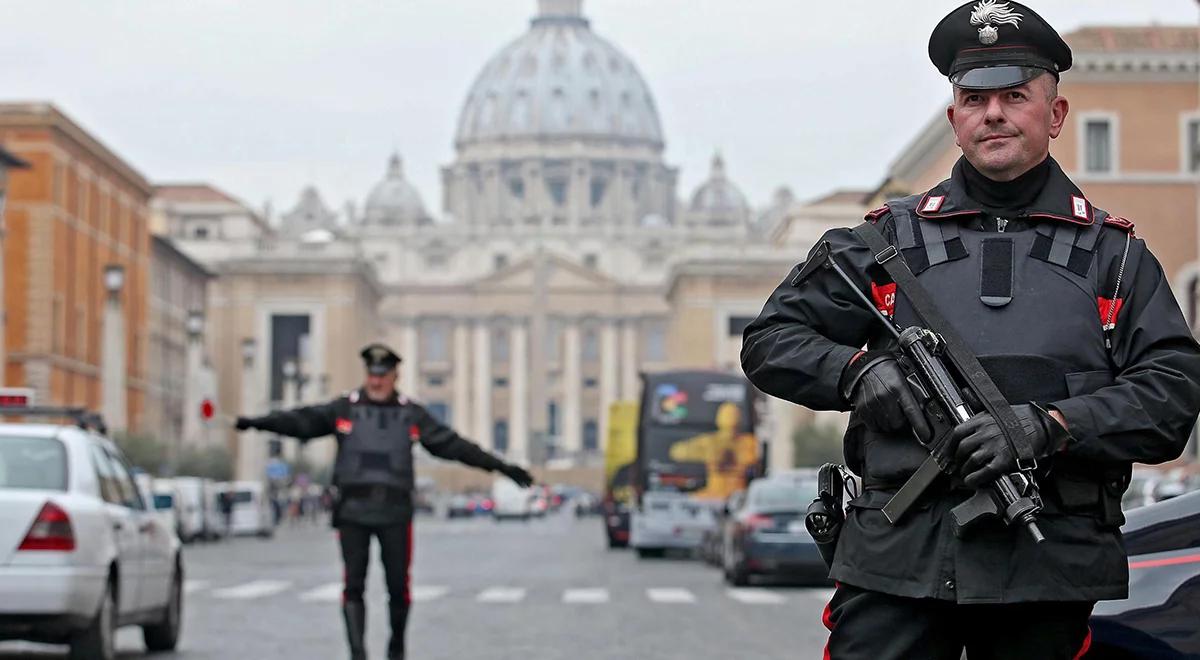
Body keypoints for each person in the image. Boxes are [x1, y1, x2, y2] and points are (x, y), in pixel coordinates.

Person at [740, 2, 1200, 657]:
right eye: (974, 98)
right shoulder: (882, 243)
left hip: (1045, 570)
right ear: (954, 117)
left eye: (1015, 96)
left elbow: (1172, 392)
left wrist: (1048, 426)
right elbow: (771, 340)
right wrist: (856, 372)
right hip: (895, 562)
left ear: (1056, 114)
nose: (993, 113)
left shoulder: (1113, 257)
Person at [235, 343, 534, 660]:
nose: (376, 381)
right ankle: (358, 653)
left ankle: (396, 647)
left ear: (395, 376)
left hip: (394, 512)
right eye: (371, 375)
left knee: (398, 587)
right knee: (353, 585)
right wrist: (257, 422)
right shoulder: (344, 409)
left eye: (383, 375)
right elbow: (300, 421)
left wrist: (501, 466)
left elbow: (454, 445)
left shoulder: (411, 414)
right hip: (353, 511)